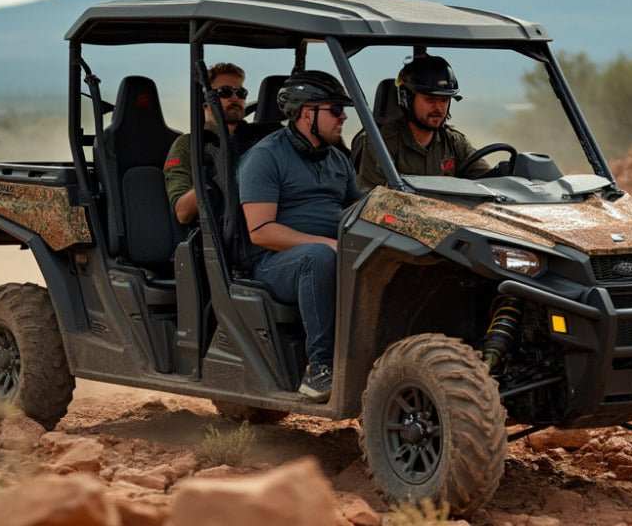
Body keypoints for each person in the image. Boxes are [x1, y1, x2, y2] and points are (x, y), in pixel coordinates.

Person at [237, 70, 362, 403]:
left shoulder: (337, 158)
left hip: (331, 251)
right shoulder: (265, 157)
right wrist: (329, 245)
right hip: (274, 263)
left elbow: (358, 208)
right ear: (308, 113)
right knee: (319, 258)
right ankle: (320, 367)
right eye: (335, 109)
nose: (343, 117)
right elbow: (260, 231)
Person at [355, 54, 490, 190]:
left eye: (444, 100)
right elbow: (371, 200)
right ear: (406, 99)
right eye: (430, 99)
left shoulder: (454, 142)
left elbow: (489, 181)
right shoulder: (381, 143)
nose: (438, 108)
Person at [164, 62, 251, 225]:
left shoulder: (260, 139)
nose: (235, 98)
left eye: (241, 93)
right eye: (225, 92)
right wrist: (217, 176)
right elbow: (182, 212)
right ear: (205, 101)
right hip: (221, 234)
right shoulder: (190, 144)